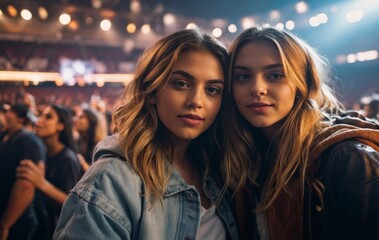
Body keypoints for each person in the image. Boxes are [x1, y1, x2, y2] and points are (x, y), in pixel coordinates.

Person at [222, 27, 379, 239]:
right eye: (243, 76)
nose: (257, 88)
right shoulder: (242, 160)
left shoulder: (351, 159)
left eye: (275, 75)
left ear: (304, 83)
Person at [54, 28, 239, 239]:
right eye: (181, 84)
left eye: (212, 89)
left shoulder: (220, 169)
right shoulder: (110, 182)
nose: (196, 101)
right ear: (151, 90)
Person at [16, 105, 83, 238]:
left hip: (56, 230)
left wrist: (42, 183)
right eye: (40, 115)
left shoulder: (68, 159)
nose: (39, 121)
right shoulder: (41, 151)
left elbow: (73, 202)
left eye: (48, 117)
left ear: (60, 126)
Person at [0, 103, 46, 240]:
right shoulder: (6, 136)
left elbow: (26, 185)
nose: (5, 115)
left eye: (10, 112)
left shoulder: (28, 141)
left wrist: (5, 225)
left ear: (20, 118)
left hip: (17, 221)